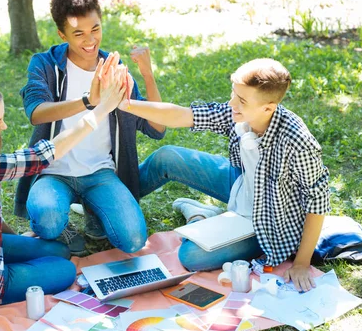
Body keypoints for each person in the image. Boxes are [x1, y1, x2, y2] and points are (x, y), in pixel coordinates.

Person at [0, 59, 127, 310]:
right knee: (64, 270)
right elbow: (43, 155)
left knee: (60, 251)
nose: (3, 126)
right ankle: (10, 275)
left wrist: (18, 241)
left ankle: (16, 268)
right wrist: (100, 109)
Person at [120, 58, 330, 292]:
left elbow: (317, 202)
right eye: (233, 94)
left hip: (268, 222)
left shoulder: (298, 141)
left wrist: (302, 262)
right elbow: (181, 115)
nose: (231, 103)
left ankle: (201, 217)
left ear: (268, 108)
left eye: (241, 100)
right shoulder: (237, 112)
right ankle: (117, 206)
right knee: (167, 157)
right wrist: (124, 104)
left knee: (190, 255)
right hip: (242, 185)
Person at [14, 0, 165, 256]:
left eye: (95, 29)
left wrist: (148, 75)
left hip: (100, 173)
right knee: (47, 221)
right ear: (62, 34)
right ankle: (66, 228)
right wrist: (88, 101)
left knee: (132, 239)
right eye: (78, 33)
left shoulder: (114, 70)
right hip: (53, 171)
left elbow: (156, 128)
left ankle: (94, 211)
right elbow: (36, 111)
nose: (90, 40)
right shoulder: (45, 64)